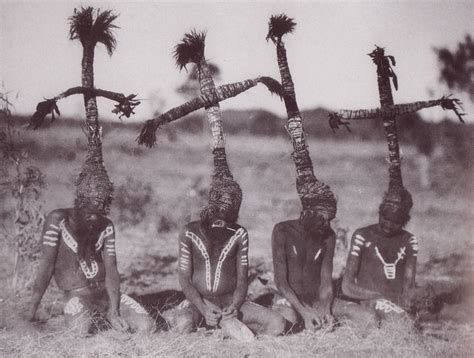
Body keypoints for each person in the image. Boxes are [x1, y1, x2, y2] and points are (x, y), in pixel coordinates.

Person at [163, 152, 286, 337]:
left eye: (226, 219)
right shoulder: (189, 232)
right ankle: (218, 328)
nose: (220, 224)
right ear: (210, 208)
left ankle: (220, 330)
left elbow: (242, 280)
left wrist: (235, 307)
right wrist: (203, 308)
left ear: (234, 215)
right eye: (217, 217)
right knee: (182, 324)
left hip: (230, 302)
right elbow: (185, 280)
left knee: (278, 324)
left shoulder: (239, 234)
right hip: (199, 302)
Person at [25, 203, 155, 336]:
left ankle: (107, 316)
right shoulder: (58, 220)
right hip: (78, 296)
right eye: (89, 212)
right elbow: (46, 266)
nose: (93, 217)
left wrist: (114, 310)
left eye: (98, 212)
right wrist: (31, 311)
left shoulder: (106, 225)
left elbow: (111, 269)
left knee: (147, 326)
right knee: (79, 330)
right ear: (81, 201)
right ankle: (93, 318)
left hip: (106, 295)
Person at [341, 193, 418, 321]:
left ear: (405, 221)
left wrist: (411, 300)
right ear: (379, 213)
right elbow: (347, 287)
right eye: (385, 218)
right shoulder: (362, 236)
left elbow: (408, 287)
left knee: (406, 322)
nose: (388, 225)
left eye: (396, 222)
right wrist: (377, 297)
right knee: (399, 321)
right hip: (369, 301)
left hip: (397, 304)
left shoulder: (410, 240)